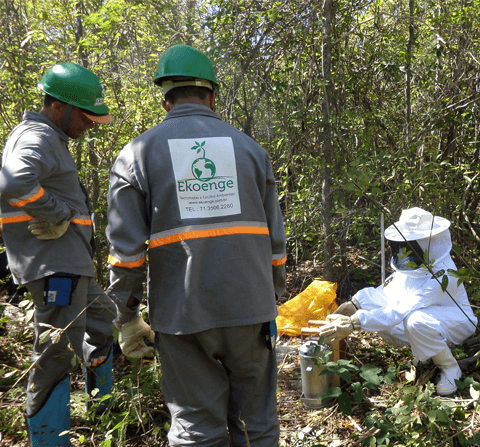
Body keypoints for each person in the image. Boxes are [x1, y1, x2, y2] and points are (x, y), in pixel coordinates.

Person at [106, 44, 287, 447]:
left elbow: (127, 253)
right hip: (250, 309)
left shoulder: (136, 155)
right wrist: (270, 294)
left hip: (182, 315)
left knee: (195, 429)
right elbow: (276, 242)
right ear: (212, 95)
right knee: (255, 424)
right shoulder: (251, 151)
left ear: (165, 98)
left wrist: (127, 316)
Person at [0, 62, 116, 446]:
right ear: (57, 107)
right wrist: (56, 213)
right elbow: (14, 179)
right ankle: (51, 440)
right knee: (55, 352)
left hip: (69, 266)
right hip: (56, 269)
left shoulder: (51, 138)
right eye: (86, 115)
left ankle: (104, 409)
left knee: (103, 320)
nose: (91, 124)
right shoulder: (38, 135)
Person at [319, 207, 478, 396]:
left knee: (415, 321)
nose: (403, 251)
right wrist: (355, 305)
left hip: (458, 322)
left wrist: (354, 323)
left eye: (409, 244)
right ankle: (426, 355)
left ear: (426, 243)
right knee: (404, 316)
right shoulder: (414, 269)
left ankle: (450, 368)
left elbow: (399, 309)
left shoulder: (443, 275)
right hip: (431, 315)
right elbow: (385, 294)